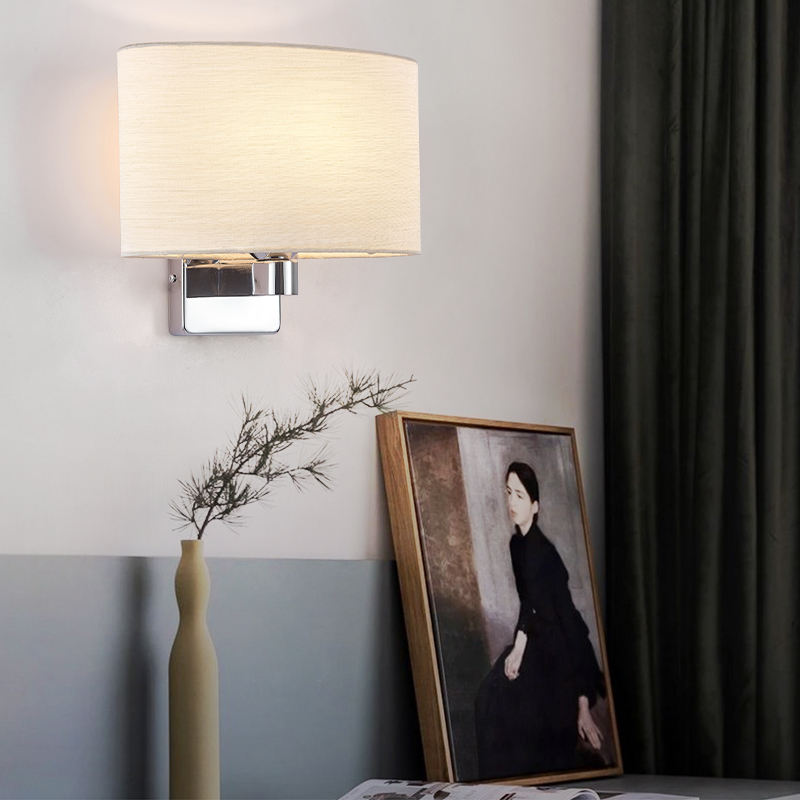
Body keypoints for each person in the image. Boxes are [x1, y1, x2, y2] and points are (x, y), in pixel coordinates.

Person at [475, 461, 606, 778]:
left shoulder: (545, 553)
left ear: (535, 506)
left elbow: (567, 624)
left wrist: (583, 706)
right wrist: (520, 645)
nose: (511, 501)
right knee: (487, 697)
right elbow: (528, 602)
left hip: (559, 656)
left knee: (516, 711)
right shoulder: (516, 544)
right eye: (508, 492)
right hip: (534, 641)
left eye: (519, 495)